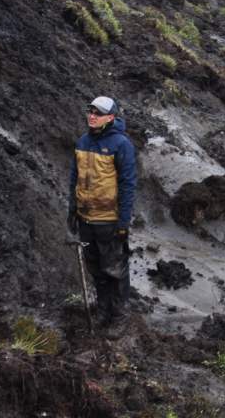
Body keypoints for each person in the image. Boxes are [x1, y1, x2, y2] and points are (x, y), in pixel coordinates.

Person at [67, 95, 137, 329]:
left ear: (110, 117)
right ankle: (104, 311)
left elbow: (128, 185)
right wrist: (72, 209)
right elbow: (74, 178)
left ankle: (119, 317)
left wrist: (123, 222)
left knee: (115, 269)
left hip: (109, 220)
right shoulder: (82, 142)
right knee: (96, 268)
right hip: (86, 219)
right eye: (90, 111)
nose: (92, 116)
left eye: (97, 113)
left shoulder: (121, 144)